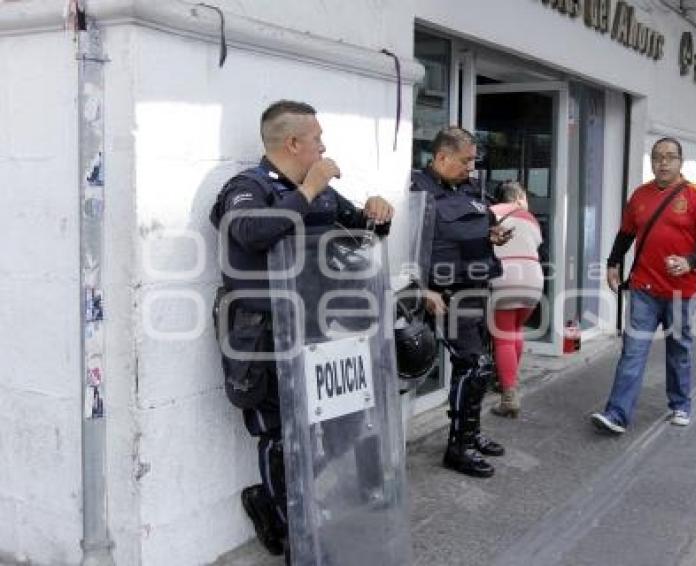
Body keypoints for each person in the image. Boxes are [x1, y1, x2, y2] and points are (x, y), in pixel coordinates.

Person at [209, 100, 393, 556]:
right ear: (292, 142)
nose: (324, 146)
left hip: (317, 328)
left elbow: (359, 233)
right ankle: (298, 537)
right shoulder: (248, 187)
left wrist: (376, 212)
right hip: (265, 334)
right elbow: (250, 232)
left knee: (340, 424)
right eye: (317, 138)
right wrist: (308, 189)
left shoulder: (323, 192)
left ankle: (273, 503)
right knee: (279, 433)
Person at [590, 137, 696, 435]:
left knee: (679, 350)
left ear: (680, 161)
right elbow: (626, 233)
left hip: (680, 292)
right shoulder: (639, 195)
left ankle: (680, 404)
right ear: (651, 161)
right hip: (644, 289)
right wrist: (613, 263)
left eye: (669, 157)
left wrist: (690, 261)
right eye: (657, 157)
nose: (663, 162)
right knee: (633, 351)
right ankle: (617, 415)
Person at [410, 126, 512, 478]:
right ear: (441, 157)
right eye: (466, 161)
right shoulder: (417, 190)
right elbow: (405, 246)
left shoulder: (470, 189)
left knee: (477, 370)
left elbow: (478, 226)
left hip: (477, 288)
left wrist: (494, 234)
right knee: (475, 364)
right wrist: (422, 288)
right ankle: (459, 448)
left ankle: (470, 433)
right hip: (446, 293)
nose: (472, 167)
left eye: (473, 160)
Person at [488, 182, 544, 418]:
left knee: (503, 338)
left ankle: (509, 394)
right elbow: (538, 244)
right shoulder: (531, 218)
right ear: (519, 197)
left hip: (506, 276)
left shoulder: (490, 212)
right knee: (515, 329)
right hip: (533, 278)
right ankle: (507, 381)